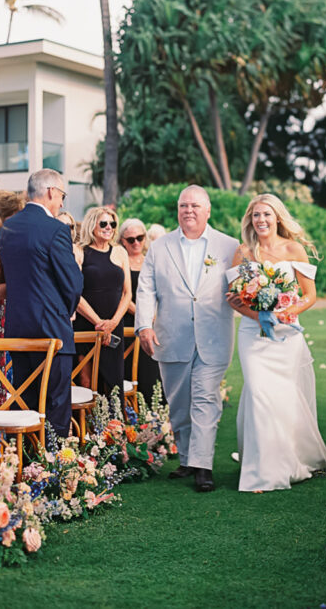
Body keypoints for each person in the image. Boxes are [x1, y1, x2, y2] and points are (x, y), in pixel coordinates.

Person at [135, 185, 239, 492]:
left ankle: (203, 467)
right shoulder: (160, 246)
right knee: (179, 404)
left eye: (195, 206)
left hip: (214, 336)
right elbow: (145, 288)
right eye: (183, 206)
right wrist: (144, 325)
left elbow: (240, 288)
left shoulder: (228, 245)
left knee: (206, 400)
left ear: (208, 211)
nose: (188, 210)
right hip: (172, 336)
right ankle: (187, 459)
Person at [225, 194, 326, 492]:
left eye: (267, 215)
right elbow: (235, 298)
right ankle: (261, 471)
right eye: (256, 215)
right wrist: (258, 314)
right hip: (252, 335)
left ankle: (286, 459)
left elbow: (309, 295)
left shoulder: (293, 249)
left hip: (286, 334)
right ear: (250, 220)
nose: (261, 220)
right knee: (258, 392)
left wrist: (288, 311)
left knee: (281, 397)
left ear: (277, 217)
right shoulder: (244, 254)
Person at [0, 169, 83, 438]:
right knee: (56, 405)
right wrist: (65, 312)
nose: (61, 203)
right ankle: (56, 468)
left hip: (17, 329)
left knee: (26, 401)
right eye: (62, 196)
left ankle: (26, 464)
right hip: (52, 330)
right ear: (50, 192)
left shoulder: (7, 228)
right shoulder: (56, 229)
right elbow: (72, 283)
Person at [72, 206, 131, 397]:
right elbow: (75, 294)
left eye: (112, 224)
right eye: (103, 223)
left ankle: (115, 426)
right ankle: (88, 426)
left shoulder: (120, 252)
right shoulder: (81, 251)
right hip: (87, 324)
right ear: (92, 225)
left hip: (114, 326)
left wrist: (112, 323)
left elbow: (127, 293)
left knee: (113, 382)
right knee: (86, 382)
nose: (109, 227)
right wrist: (98, 323)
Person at [120, 217, 164, 404]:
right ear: (122, 241)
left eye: (140, 237)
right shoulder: (120, 262)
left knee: (153, 373)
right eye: (131, 239)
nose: (136, 242)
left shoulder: (152, 261)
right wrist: (143, 314)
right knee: (130, 371)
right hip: (129, 324)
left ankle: (156, 419)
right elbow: (121, 295)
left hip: (153, 324)